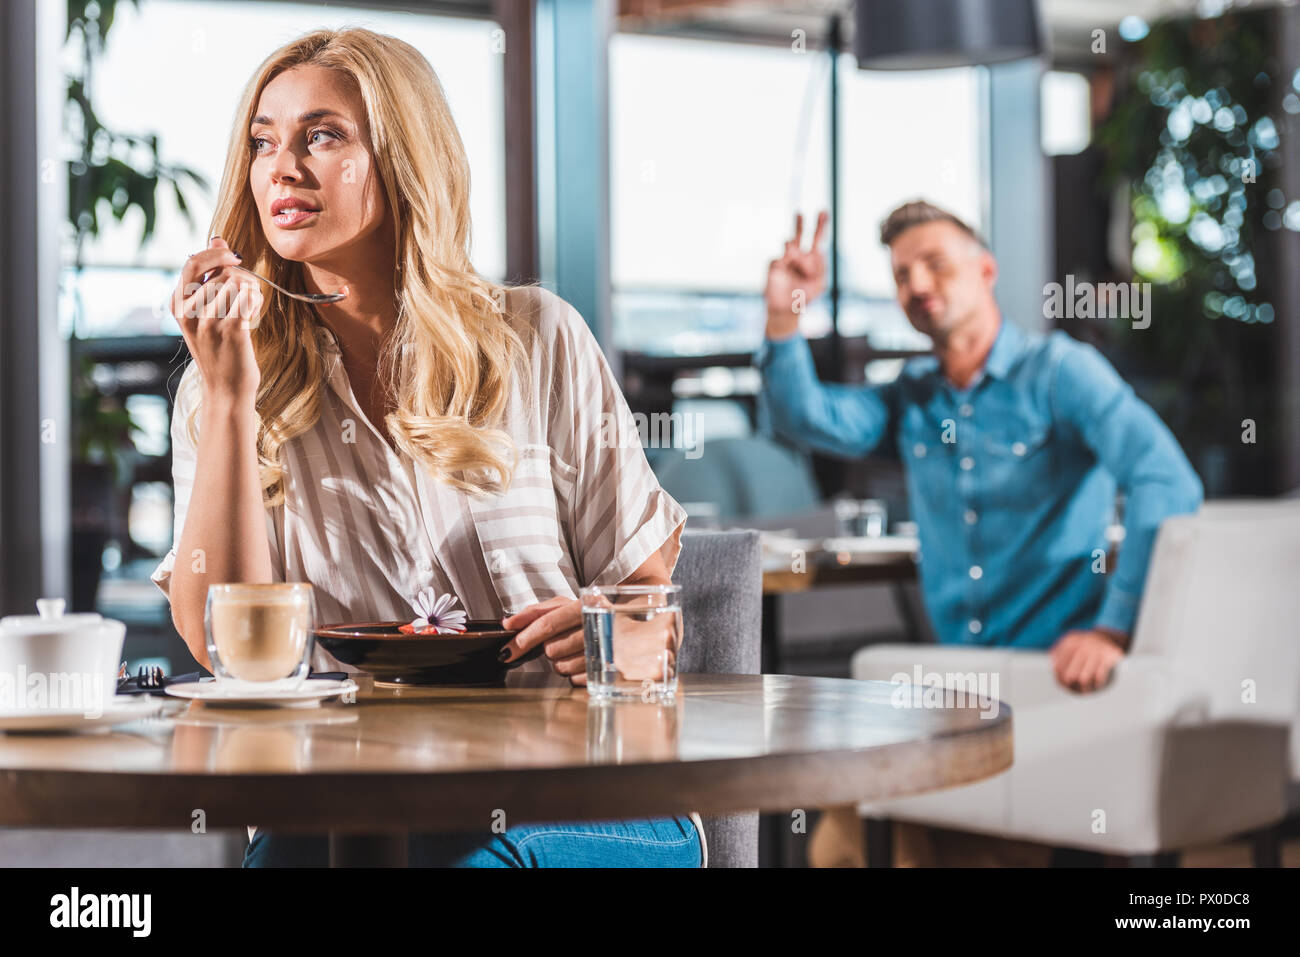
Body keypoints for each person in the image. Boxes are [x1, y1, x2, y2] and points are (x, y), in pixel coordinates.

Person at [151, 27, 702, 868]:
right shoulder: (224, 379)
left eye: (323, 135)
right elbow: (223, 652)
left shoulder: (538, 337)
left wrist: (609, 632)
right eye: (263, 141)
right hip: (342, 801)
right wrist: (230, 396)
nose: (282, 166)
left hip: (590, 793)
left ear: (405, 158)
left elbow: (647, 611)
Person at [756, 199, 1203, 866]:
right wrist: (786, 313)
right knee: (845, 820)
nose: (918, 286)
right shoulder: (912, 395)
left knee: (865, 821)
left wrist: (1113, 627)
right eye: (903, 275)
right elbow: (806, 417)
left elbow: (1166, 481)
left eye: (934, 264)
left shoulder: (1059, 372)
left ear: (986, 269)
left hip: (1054, 687)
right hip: (958, 695)